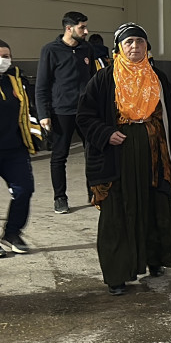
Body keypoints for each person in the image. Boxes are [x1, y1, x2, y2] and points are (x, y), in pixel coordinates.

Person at [77, 23, 171, 296]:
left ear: (147, 46)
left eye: (140, 41)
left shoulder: (157, 77)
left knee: (155, 204)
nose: (135, 47)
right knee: (117, 211)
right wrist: (106, 134)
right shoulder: (103, 79)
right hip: (117, 153)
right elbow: (84, 117)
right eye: (129, 42)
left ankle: (155, 260)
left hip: (154, 152)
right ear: (119, 48)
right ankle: (117, 275)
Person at [0, 38, 42, 258]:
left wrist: (35, 136)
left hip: (15, 148)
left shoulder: (16, 80)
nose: (1, 60)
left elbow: (27, 110)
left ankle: (12, 233)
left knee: (24, 190)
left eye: (5, 56)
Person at [36, 11, 101, 214]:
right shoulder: (50, 50)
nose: (86, 31)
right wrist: (43, 114)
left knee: (93, 152)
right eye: (82, 27)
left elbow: (93, 80)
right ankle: (60, 198)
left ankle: (94, 192)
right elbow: (42, 85)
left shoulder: (86, 49)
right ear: (68, 28)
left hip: (86, 112)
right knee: (59, 156)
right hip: (61, 112)